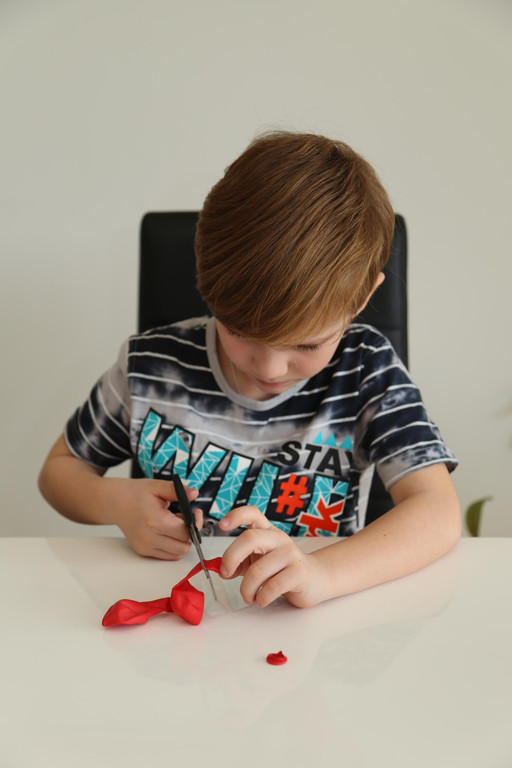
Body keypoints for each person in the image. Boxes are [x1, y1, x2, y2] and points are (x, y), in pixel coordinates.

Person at [38, 131, 460, 610]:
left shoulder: (367, 370)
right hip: (177, 630)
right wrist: (114, 503)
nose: (271, 367)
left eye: (307, 343)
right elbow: (59, 472)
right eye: (239, 331)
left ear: (362, 299)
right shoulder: (151, 369)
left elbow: (438, 510)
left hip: (315, 630)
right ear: (207, 284)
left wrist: (323, 572)